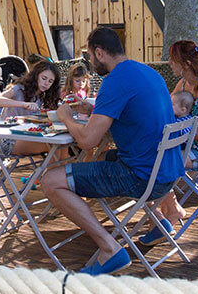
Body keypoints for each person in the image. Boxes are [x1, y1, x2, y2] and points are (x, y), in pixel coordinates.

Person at [41, 27, 183, 275]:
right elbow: (131, 113)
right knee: (108, 156)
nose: (90, 62)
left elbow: (87, 141)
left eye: (89, 56)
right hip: (167, 174)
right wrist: (88, 110)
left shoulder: (115, 81)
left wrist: (66, 117)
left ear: (99, 52)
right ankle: (158, 222)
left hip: (142, 178)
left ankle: (110, 249)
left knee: (50, 180)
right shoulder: (148, 73)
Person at [143, 40, 198, 246]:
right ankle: (167, 212)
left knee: (156, 163)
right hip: (185, 143)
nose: (170, 64)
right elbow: (166, 112)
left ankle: (165, 214)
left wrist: (177, 136)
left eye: (173, 61)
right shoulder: (182, 85)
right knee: (146, 157)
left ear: (186, 64)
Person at [0, 60, 61, 157]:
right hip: (9, 140)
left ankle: (57, 171)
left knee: (61, 146)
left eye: (50, 81)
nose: (46, 83)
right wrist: (23, 104)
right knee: (57, 146)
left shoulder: (41, 95)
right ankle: (55, 171)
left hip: (28, 135)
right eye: (44, 78)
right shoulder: (19, 88)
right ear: (36, 75)